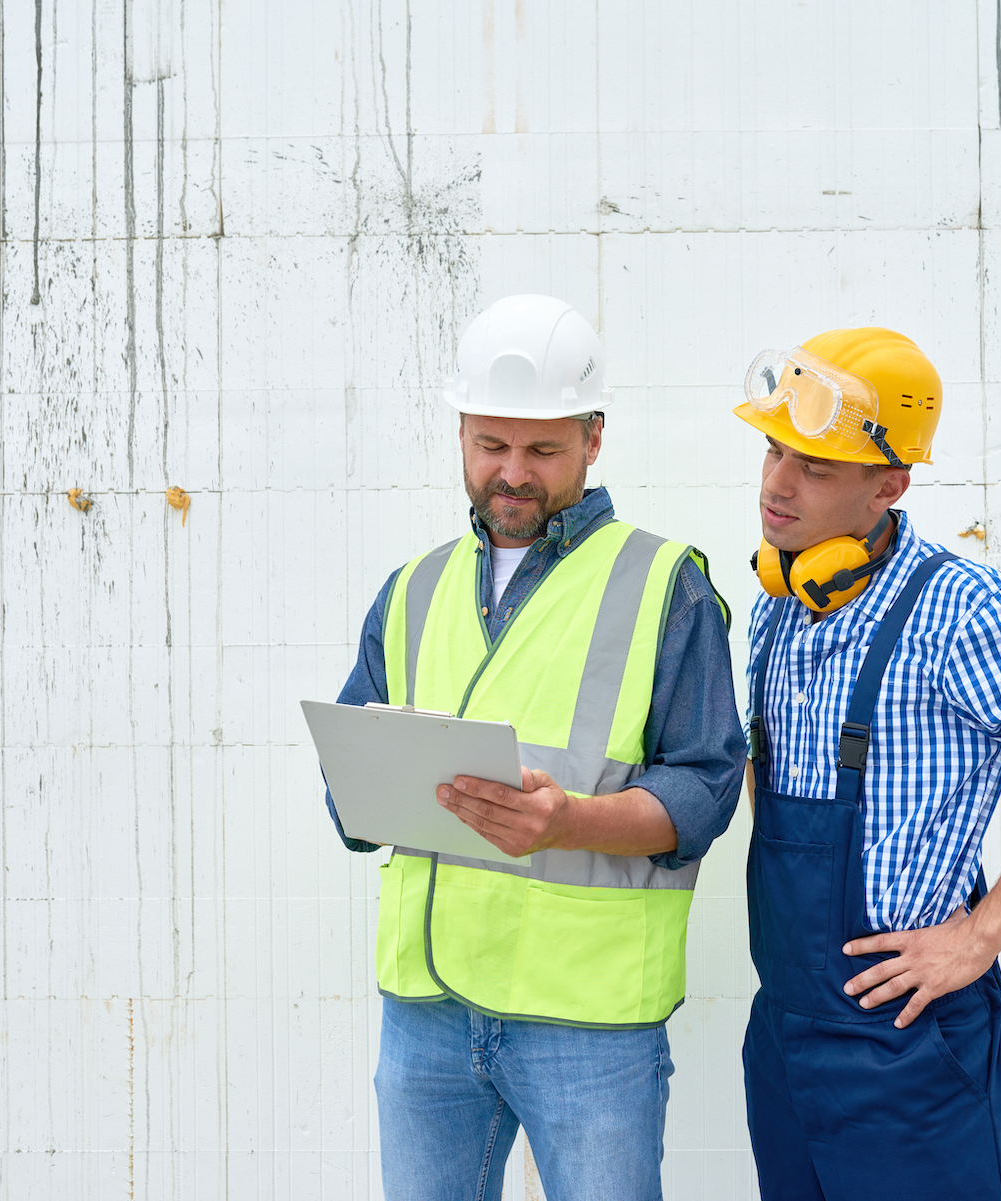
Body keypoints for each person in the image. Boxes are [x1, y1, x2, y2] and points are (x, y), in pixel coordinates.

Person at [324, 294, 746, 1201]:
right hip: (427, 1011)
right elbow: (349, 783)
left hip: (587, 1021)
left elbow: (708, 790)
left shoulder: (663, 583)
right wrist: (360, 795)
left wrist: (569, 820)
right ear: (463, 431)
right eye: (490, 445)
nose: (511, 474)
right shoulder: (413, 588)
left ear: (593, 439)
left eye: (543, 449)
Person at [733, 327, 1001, 1199]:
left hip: (909, 1048)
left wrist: (978, 934)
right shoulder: (777, 608)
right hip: (782, 1037)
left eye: (815, 465)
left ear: (890, 484)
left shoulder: (960, 608)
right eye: (776, 449)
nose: (778, 482)